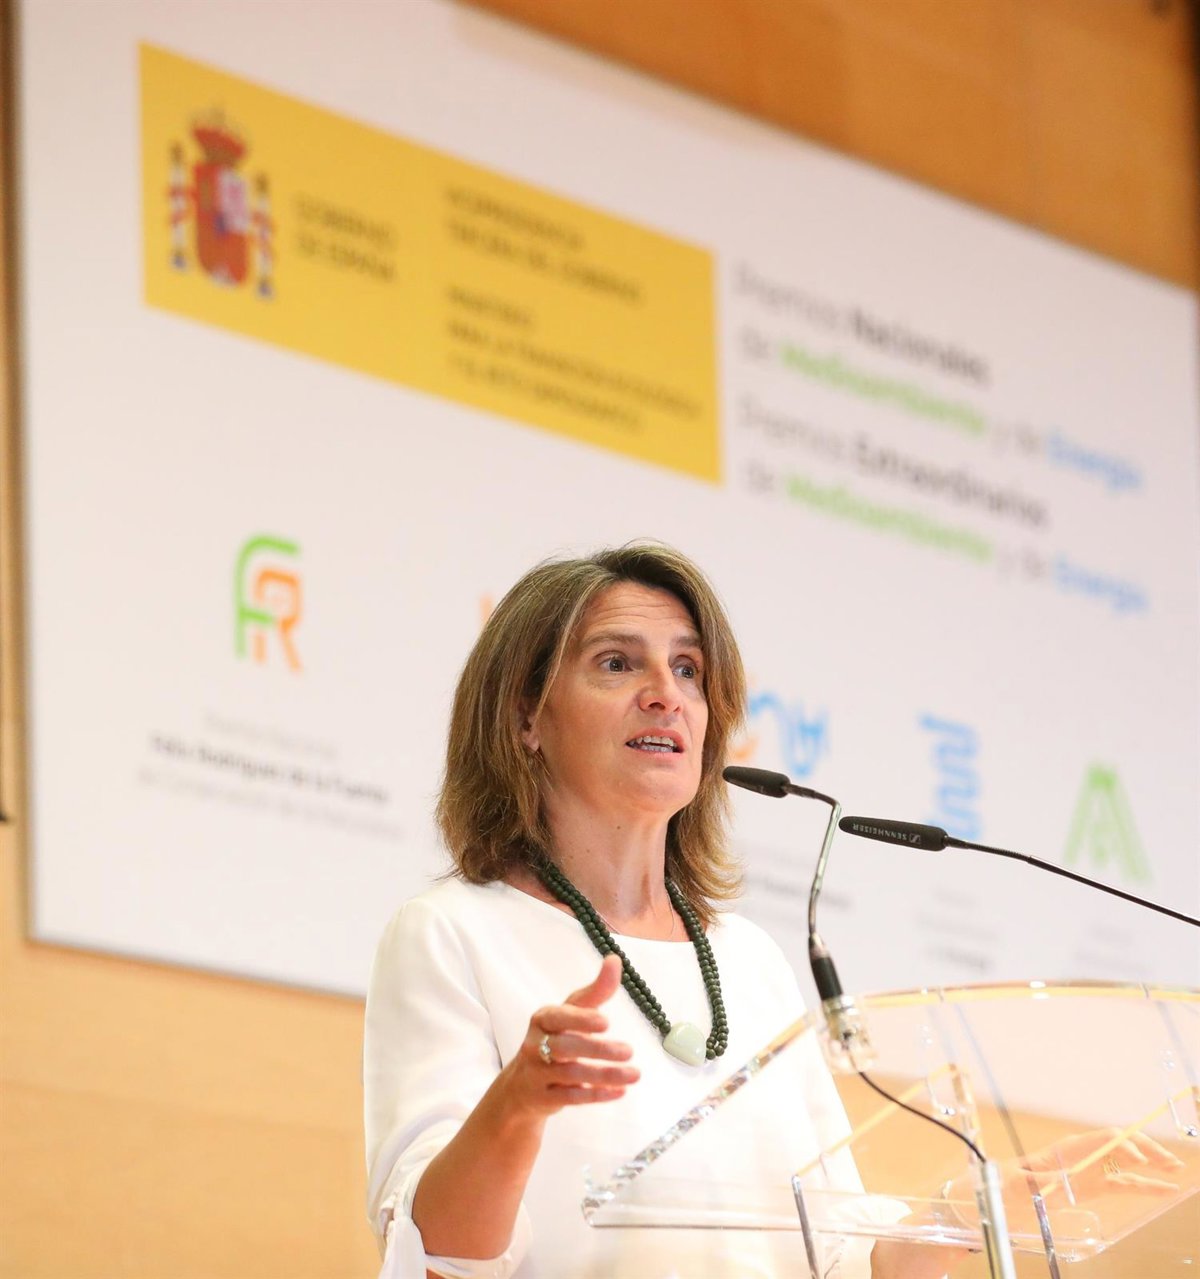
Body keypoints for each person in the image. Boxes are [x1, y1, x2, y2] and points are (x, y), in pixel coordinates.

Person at [362, 544, 1178, 1279]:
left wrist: (979, 1209)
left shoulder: (747, 957)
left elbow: (841, 1252)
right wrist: (518, 1103)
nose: (666, 695)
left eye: (688, 670)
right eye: (617, 662)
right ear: (524, 717)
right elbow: (435, 1253)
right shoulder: (452, 933)